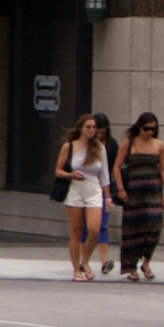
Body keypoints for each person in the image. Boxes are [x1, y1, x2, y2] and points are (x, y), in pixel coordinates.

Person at [54, 113, 111, 282]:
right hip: (75, 189)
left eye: (93, 127)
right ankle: (76, 270)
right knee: (76, 231)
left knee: (94, 229)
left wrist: (108, 198)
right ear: (81, 128)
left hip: (93, 189)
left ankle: (84, 261)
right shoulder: (69, 147)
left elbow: (105, 175)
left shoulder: (100, 147)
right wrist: (70, 175)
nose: (91, 130)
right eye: (88, 126)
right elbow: (58, 171)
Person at [114, 112, 164, 281]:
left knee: (154, 227)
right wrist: (121, 189)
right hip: (134, 192)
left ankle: (146, 261)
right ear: (139, 127)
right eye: (146, 128)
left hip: (153, 191)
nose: (149, 132)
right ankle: (131, 267)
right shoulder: (128, 144)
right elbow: (116, 166)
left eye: (153, 129)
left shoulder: (159, 145)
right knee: (133, 229)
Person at [83, 112, 119, 275]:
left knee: (100, 226)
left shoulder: (110, 145)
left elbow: (109, 171)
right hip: (84, 187)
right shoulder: (84, 145)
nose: (99, 136)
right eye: (97, 132)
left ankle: (104, 261)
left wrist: (110, 195)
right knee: (85, 227)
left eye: (102, 133)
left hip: (102, 188)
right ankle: (84, 261)